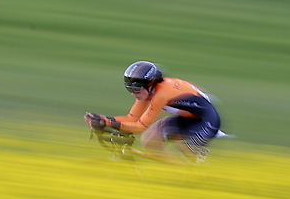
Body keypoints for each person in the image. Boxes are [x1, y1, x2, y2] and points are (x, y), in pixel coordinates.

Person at [85, 61, 223, 162]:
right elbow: (132, 118)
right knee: (150, 140)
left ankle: (191, 174)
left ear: (150, 85)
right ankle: (176, 172)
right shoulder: (147, 92)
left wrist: (107, 123)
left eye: (136, 90)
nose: (133, 94)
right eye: (130, 89)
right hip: (187, 117)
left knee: (185, 152)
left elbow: (140, 127)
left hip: (207, 121)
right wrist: (103, 119)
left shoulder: (161, 95)